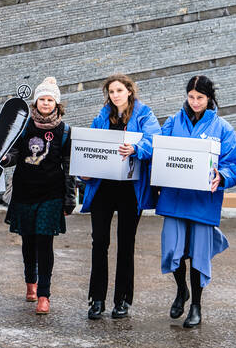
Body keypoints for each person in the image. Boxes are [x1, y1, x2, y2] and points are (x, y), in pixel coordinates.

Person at [155, 75, 236, 328]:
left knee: (198, 255)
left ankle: (196, 306)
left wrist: (222, 176)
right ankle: (181, 290)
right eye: (191, 97)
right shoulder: (172, 122)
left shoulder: (223, 128)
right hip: (175, 198)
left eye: (200, 98)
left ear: (209, 98)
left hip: (204, 201)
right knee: (173, 249)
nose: (194, 102)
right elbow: (159, 151)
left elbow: (232, 165)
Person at [79, 74, 160, 319]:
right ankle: (97, 299)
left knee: (126, 244)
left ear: (129, 91)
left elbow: (154, 140)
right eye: (111, 92)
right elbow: (90, 146)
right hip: (103, 187)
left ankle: (122, 300)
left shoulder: (145, 114)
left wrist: (137, 148)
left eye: (119, 90)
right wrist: (84, 171)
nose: (115, 95)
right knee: (99, 242)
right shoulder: (102, 116)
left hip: (130, 189)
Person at [0, 77, 76, 315]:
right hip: (24, 192)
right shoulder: (23, 126)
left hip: (50, 195)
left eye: (49, 99)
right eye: (41, 99)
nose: (45, 103)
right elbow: (12, 152)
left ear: (57, 103)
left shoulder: (65, 132)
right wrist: (5, 159)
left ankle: (44, 294)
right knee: (28, 242)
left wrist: (69, 199)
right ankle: (30, 283)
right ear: (36, 101)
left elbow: (69, 167)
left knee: (45, 243)